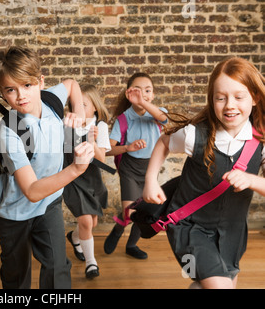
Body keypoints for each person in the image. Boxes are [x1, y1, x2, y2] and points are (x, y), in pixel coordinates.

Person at [143, 57, 265, 289]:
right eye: (220, 98)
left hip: (233, 232)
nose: (230, 105)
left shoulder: (260, 141)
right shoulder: (193, 135)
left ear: (255, 98)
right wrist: (150, 180)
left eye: (239, 97)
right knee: (221, 286)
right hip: (190, 227)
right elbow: (164, 142)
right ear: (212, 100)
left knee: (214, 283)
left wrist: (251, 179)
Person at [0, 46, 94, 289]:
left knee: (58, 269)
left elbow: (71, 84)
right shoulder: (10, 132)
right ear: (3, 94)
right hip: (15, 213)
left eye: (27, 85)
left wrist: (78, 115)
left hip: (50, 203)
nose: (21, 95)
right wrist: (76, 170)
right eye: (10, 90)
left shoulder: (51, 99)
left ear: (40, 82)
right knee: (17, 277)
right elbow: (32, 190)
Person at [104, 72, 168, 259]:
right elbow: (107, 150)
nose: (143, 94)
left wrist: (143, 102)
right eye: (137, 91)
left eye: (147, 91)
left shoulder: (157, 113)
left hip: (150, 170)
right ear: (128, 94)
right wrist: (127, 147)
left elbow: (164, 119)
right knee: (130, 213)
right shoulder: (123, 119)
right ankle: (117, 230)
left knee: (144, 212)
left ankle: (131, 245)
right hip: (130, 169)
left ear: (153, 95)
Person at [63, 84, 111, 279]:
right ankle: (92, 263)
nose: (79, 109)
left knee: (91, 223)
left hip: (92, 179)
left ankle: (74, 238)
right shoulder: (66, 124)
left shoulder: (99, 126)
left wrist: (91, 140)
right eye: (75, 105)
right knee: (84, 221)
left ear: (95, 108)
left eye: (83, 104)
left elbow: (101, 160)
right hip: (72, 178)